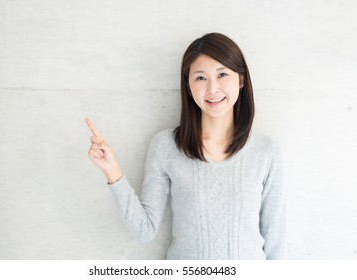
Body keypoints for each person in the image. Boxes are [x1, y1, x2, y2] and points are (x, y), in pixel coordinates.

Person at [86, 32, 286, 260]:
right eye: (200, 78)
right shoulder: (166, 147)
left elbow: (275, 241)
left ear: (240, 80)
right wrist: (113, 171)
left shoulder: (266, 151)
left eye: (222, 74)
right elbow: (144, 230)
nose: (212, 89)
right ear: (189, 85)